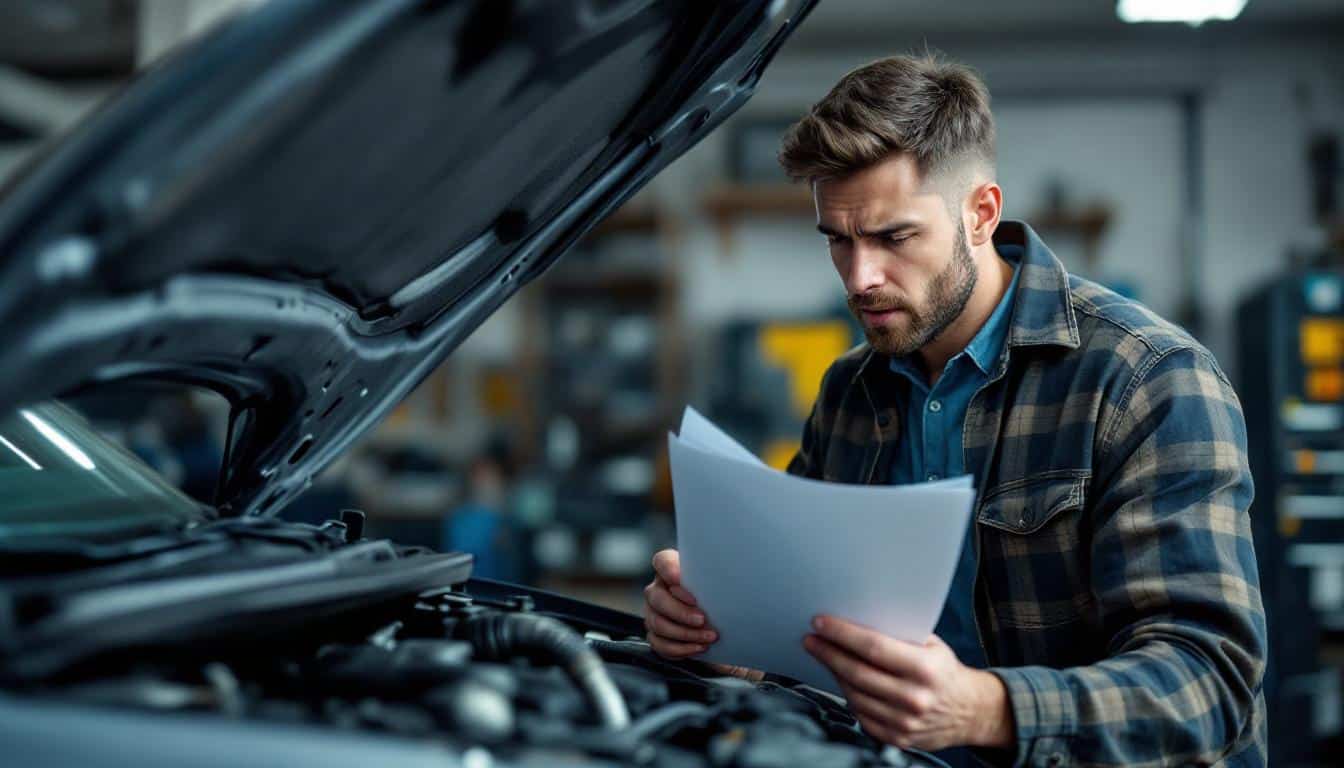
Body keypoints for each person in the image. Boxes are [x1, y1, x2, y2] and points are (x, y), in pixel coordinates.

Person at [643, 54, 1265, 767]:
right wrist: (729, 640)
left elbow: (1209, 683)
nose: (860, 277)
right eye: (838, 240)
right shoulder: (850, 392)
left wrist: (984, 709)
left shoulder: (1147, 380)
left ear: (981, 214)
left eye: (893, 237)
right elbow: (802, 624)